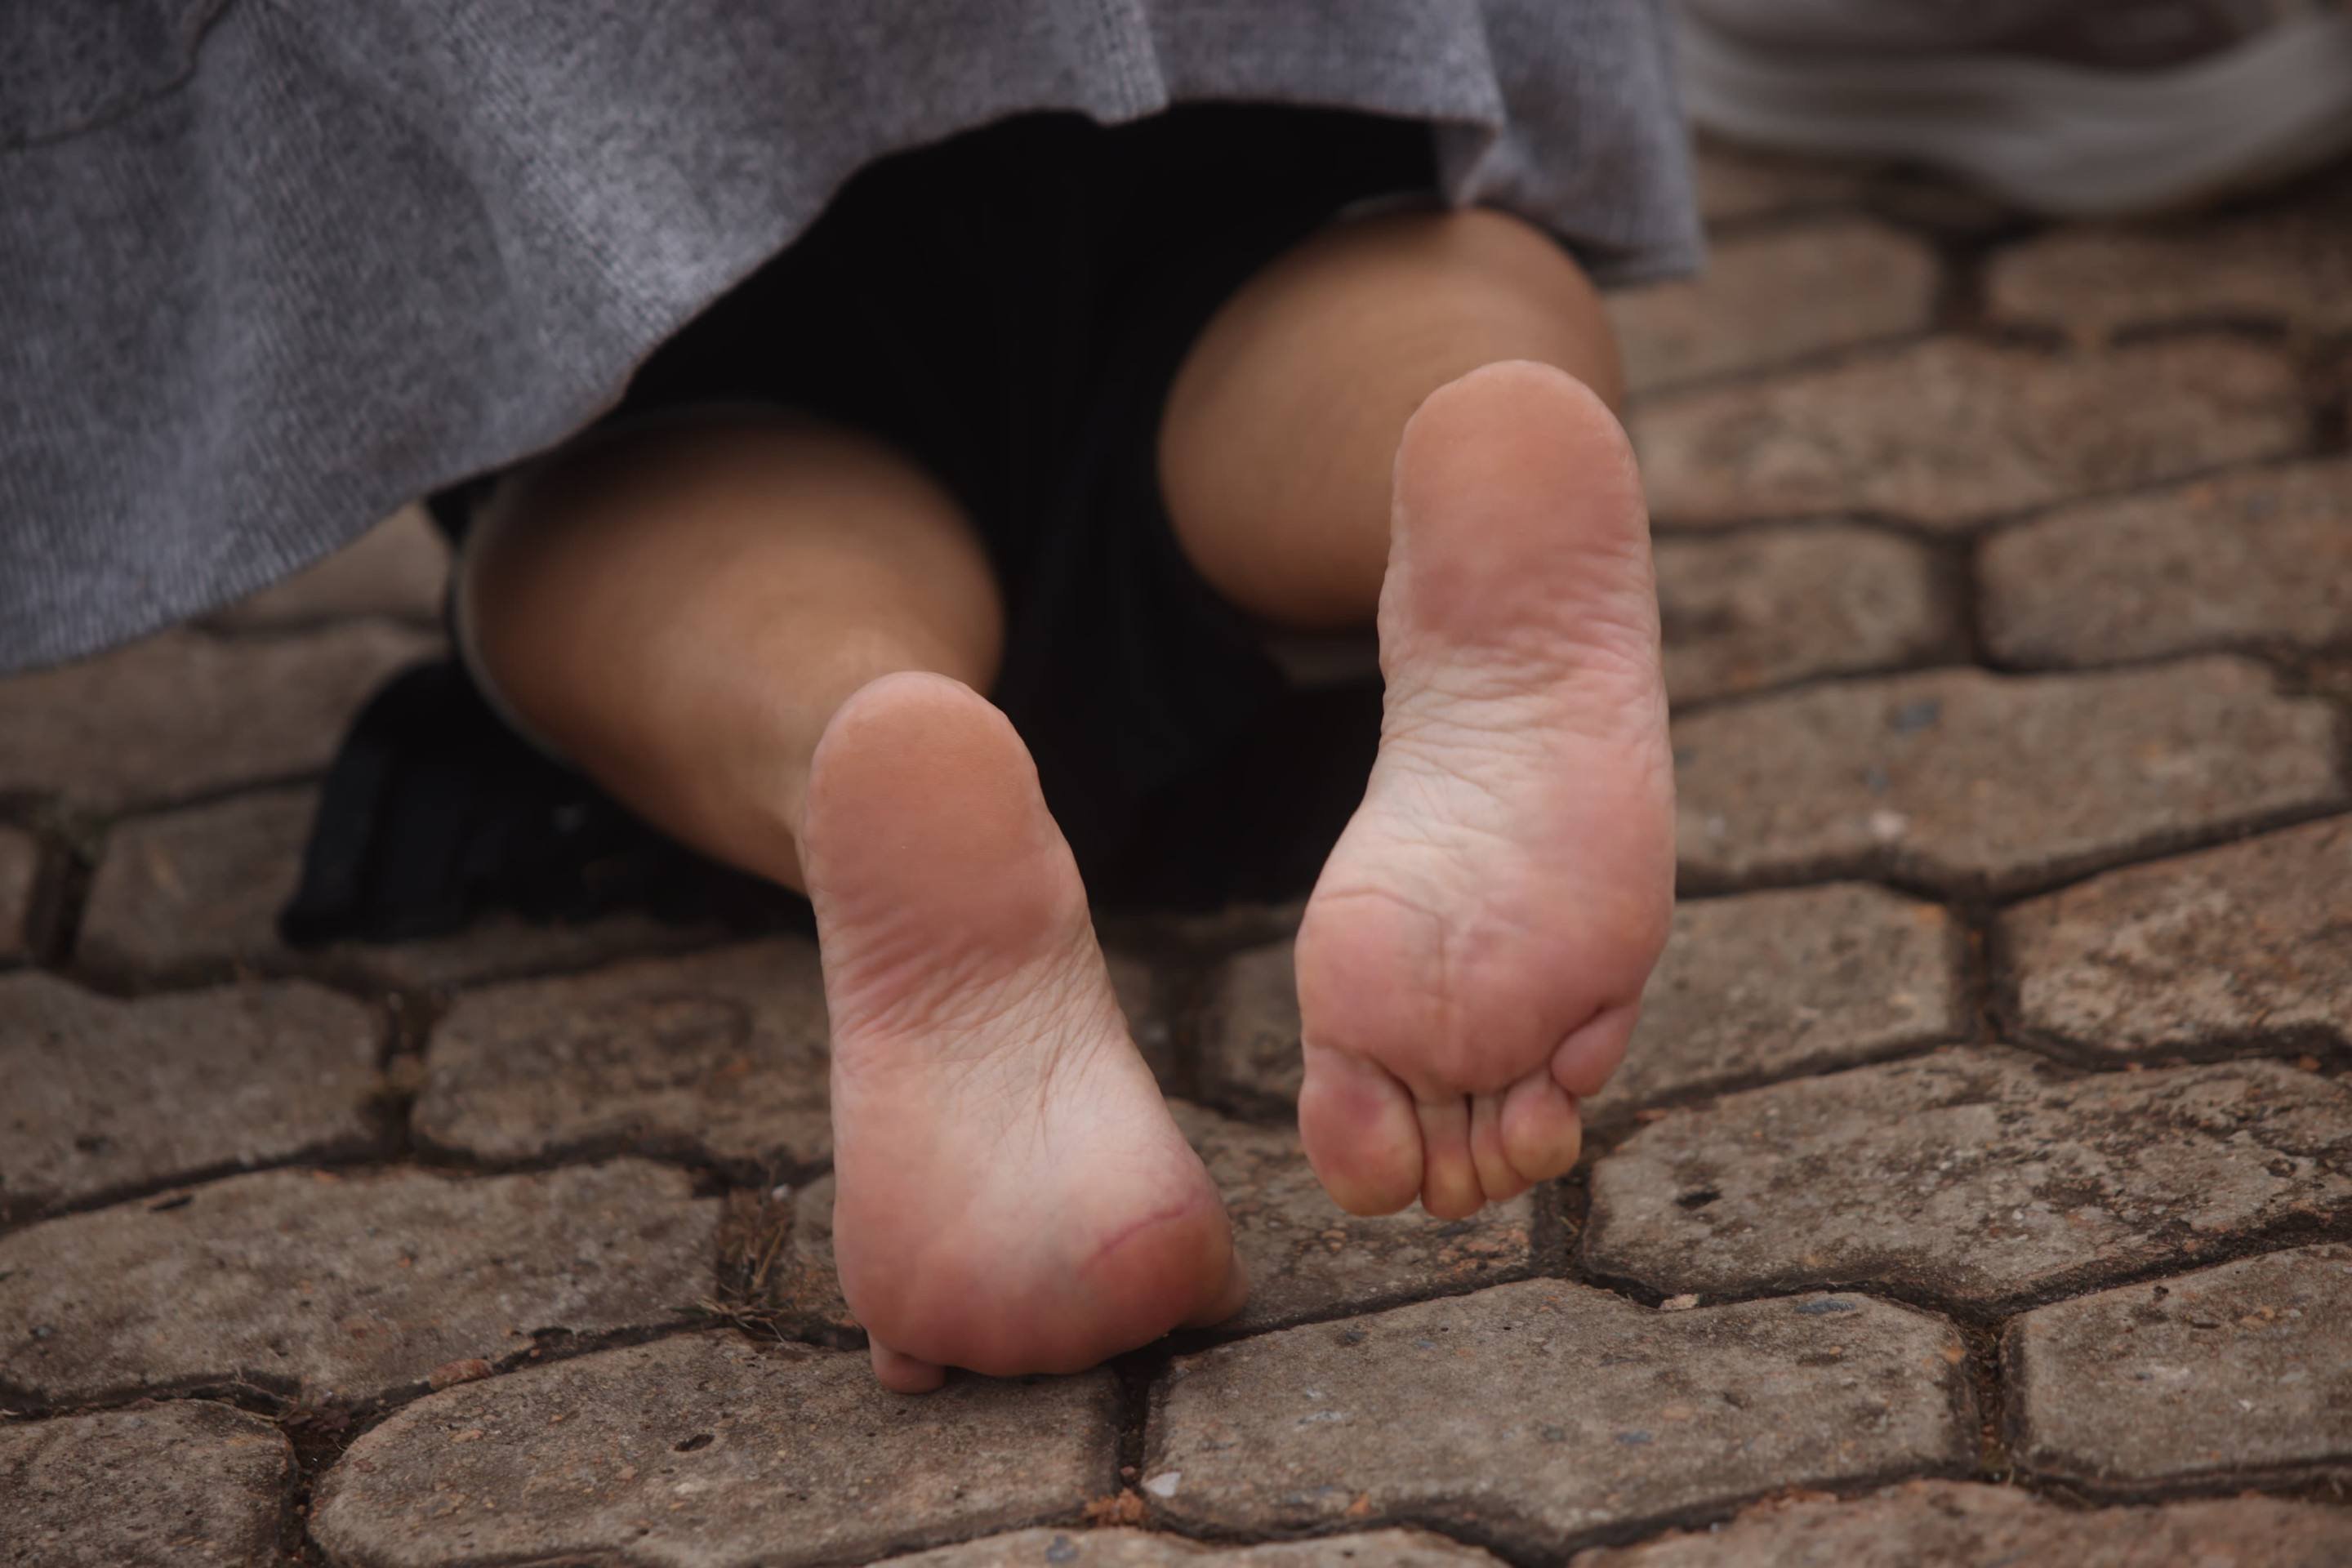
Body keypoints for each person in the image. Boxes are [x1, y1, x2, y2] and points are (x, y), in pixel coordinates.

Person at [2, 4, 1697, 1391]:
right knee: (1358, 263)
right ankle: (1445, 449)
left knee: (630, 494)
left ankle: (851, 718)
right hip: (1193, 74)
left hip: (648, 106)